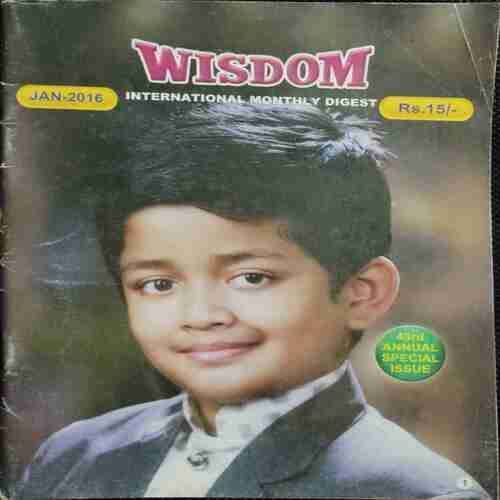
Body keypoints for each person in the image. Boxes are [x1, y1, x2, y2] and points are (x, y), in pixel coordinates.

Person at [15, 104, 490, 499]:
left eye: (251, 278)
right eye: (158, 284)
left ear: (362, 292)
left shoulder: (416, 491)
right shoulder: (72, 455)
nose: (200, 316)